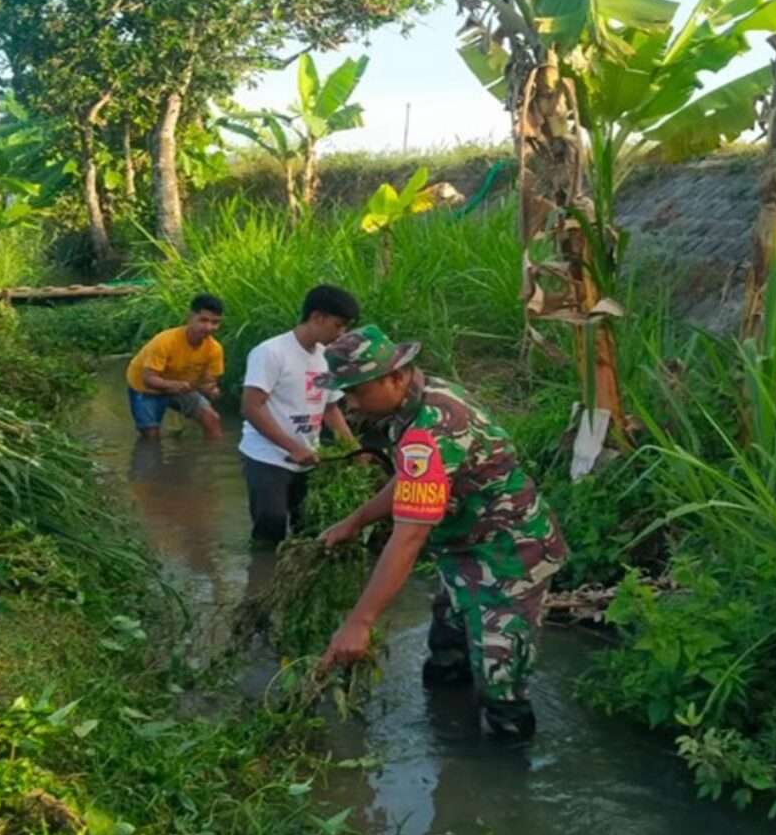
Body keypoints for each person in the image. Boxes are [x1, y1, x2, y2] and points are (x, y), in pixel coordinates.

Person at [312, 326, 566, 741]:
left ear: (395, 376)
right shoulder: (413, 403)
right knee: (446, 656)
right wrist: (355, 521)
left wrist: (360, 622)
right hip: (464, 548)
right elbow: (410, 482)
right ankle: (447, 745)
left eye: (356, 391)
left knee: (501, 686)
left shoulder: (432, 428)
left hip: (508, 556)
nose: (350, 404)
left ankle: (504, 783)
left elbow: (409, 536)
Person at [238, 284, 359, 544]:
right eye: (338, 325)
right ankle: (262, 577)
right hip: (267, 456)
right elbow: (251, 407)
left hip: (309, 457)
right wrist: (293, 447)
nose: (342, 333)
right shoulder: (270, 352)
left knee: (309, 525)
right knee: (271, 522)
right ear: (317, 317)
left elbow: (330, 408)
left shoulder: (326, 357)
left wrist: (354, 450)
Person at [125, 293, 226, 441]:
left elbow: (208, 381)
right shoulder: (165, 341)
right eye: (203, 320)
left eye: (215, 322)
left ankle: (211, 459)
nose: (208, 327)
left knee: (212, 419)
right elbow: (149, 379)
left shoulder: (214, 349)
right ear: (190, 317)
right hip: (145, 387)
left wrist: (212, 389)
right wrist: (177, 385)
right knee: (151, 436)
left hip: (182, 385)